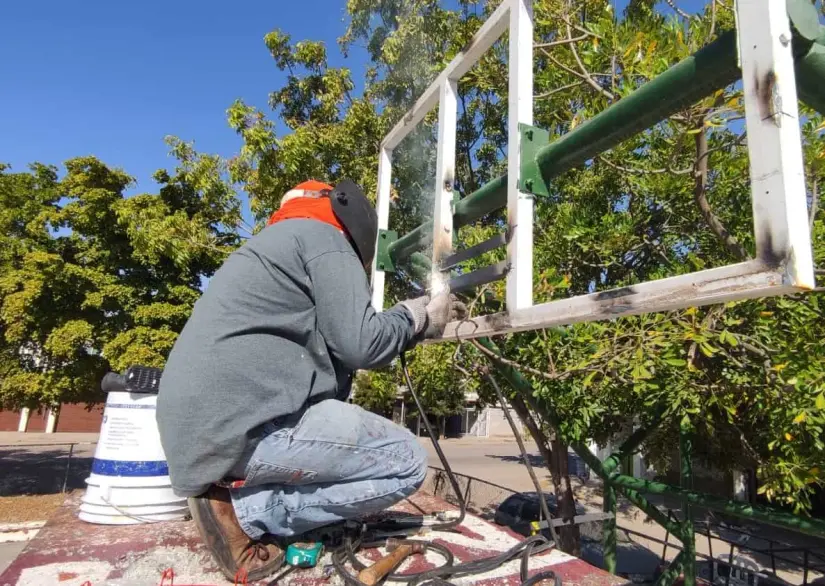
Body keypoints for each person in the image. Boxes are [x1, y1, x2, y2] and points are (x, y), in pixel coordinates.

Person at [156, 179, 465, 581]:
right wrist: (416, 316)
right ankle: (247, 512)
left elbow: (335, 357)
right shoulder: (325, 237)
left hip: (201, 426)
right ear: (349, 212)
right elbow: (363, 346)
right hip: (233, 427)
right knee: (406, 462)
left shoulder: (270, 247)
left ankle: (233, 497)